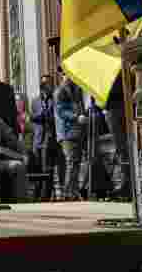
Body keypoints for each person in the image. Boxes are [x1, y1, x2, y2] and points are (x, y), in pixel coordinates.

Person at [54, 66, 87, 200]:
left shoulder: (77, 89)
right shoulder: (60, 91)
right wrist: (76, 116)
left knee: (76, 162)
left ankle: (73, 191)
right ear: (62, 75)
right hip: (67, 133)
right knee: (72, 162)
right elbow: (61, 111)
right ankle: (68, 193)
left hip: (77, 131)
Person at [30, 74, 63, 201]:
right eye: (43, 84)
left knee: (47, 169)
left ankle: (45, 197)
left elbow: (48, 116)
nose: (46, 86)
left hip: (50, 140)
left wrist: (38, 117)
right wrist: (38, 117)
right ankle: (37, 196)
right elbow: (33, 118)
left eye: (48, 84)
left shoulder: (55, 99)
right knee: (37, 169)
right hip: (37, 139)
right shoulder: (35, 101)